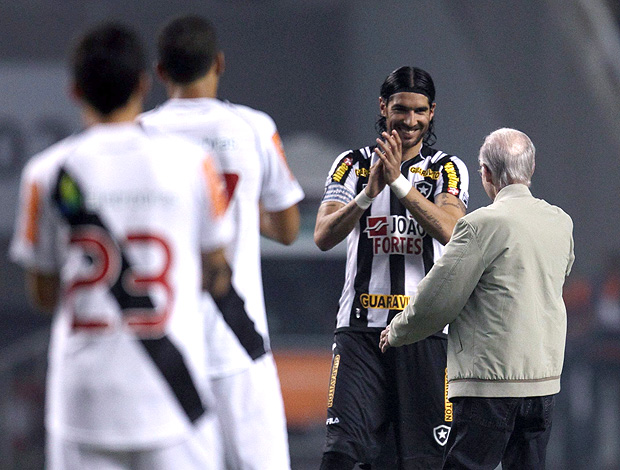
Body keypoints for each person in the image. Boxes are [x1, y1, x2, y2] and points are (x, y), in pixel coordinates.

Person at [10, 23, 234, 470]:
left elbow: (43, 295)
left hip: (83, 403)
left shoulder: (46, 174)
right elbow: (217, 271)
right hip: (174, 393)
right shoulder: (193, 165)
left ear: (75, 91)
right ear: (142, 84)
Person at [139, 15, 305, 470]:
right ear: (219, 62)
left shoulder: (140, 134)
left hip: (167, 344)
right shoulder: (253, 127)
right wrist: (236, 205)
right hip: (240, 342)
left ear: (161, 72)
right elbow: (288, 229)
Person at [379, 128, 575, 469]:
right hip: (543, 383)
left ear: (485, 173)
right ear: (531, 168)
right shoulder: (560, 222)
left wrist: (398, 330)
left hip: (489, 384)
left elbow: (439, 297)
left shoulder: (480, 225)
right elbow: (560, 272)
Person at [314, 66, 470, 469]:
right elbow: (324, 235)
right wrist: (368, 195)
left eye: (420, 111)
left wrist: (400, 185)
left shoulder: (445, 168)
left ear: (432, 112)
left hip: (425, 333)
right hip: (360, 332)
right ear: (384, 107)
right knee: (341, 454)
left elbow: (452, 231)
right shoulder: (351, 163)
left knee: (423, 462)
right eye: (401, 109)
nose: (410, 121)